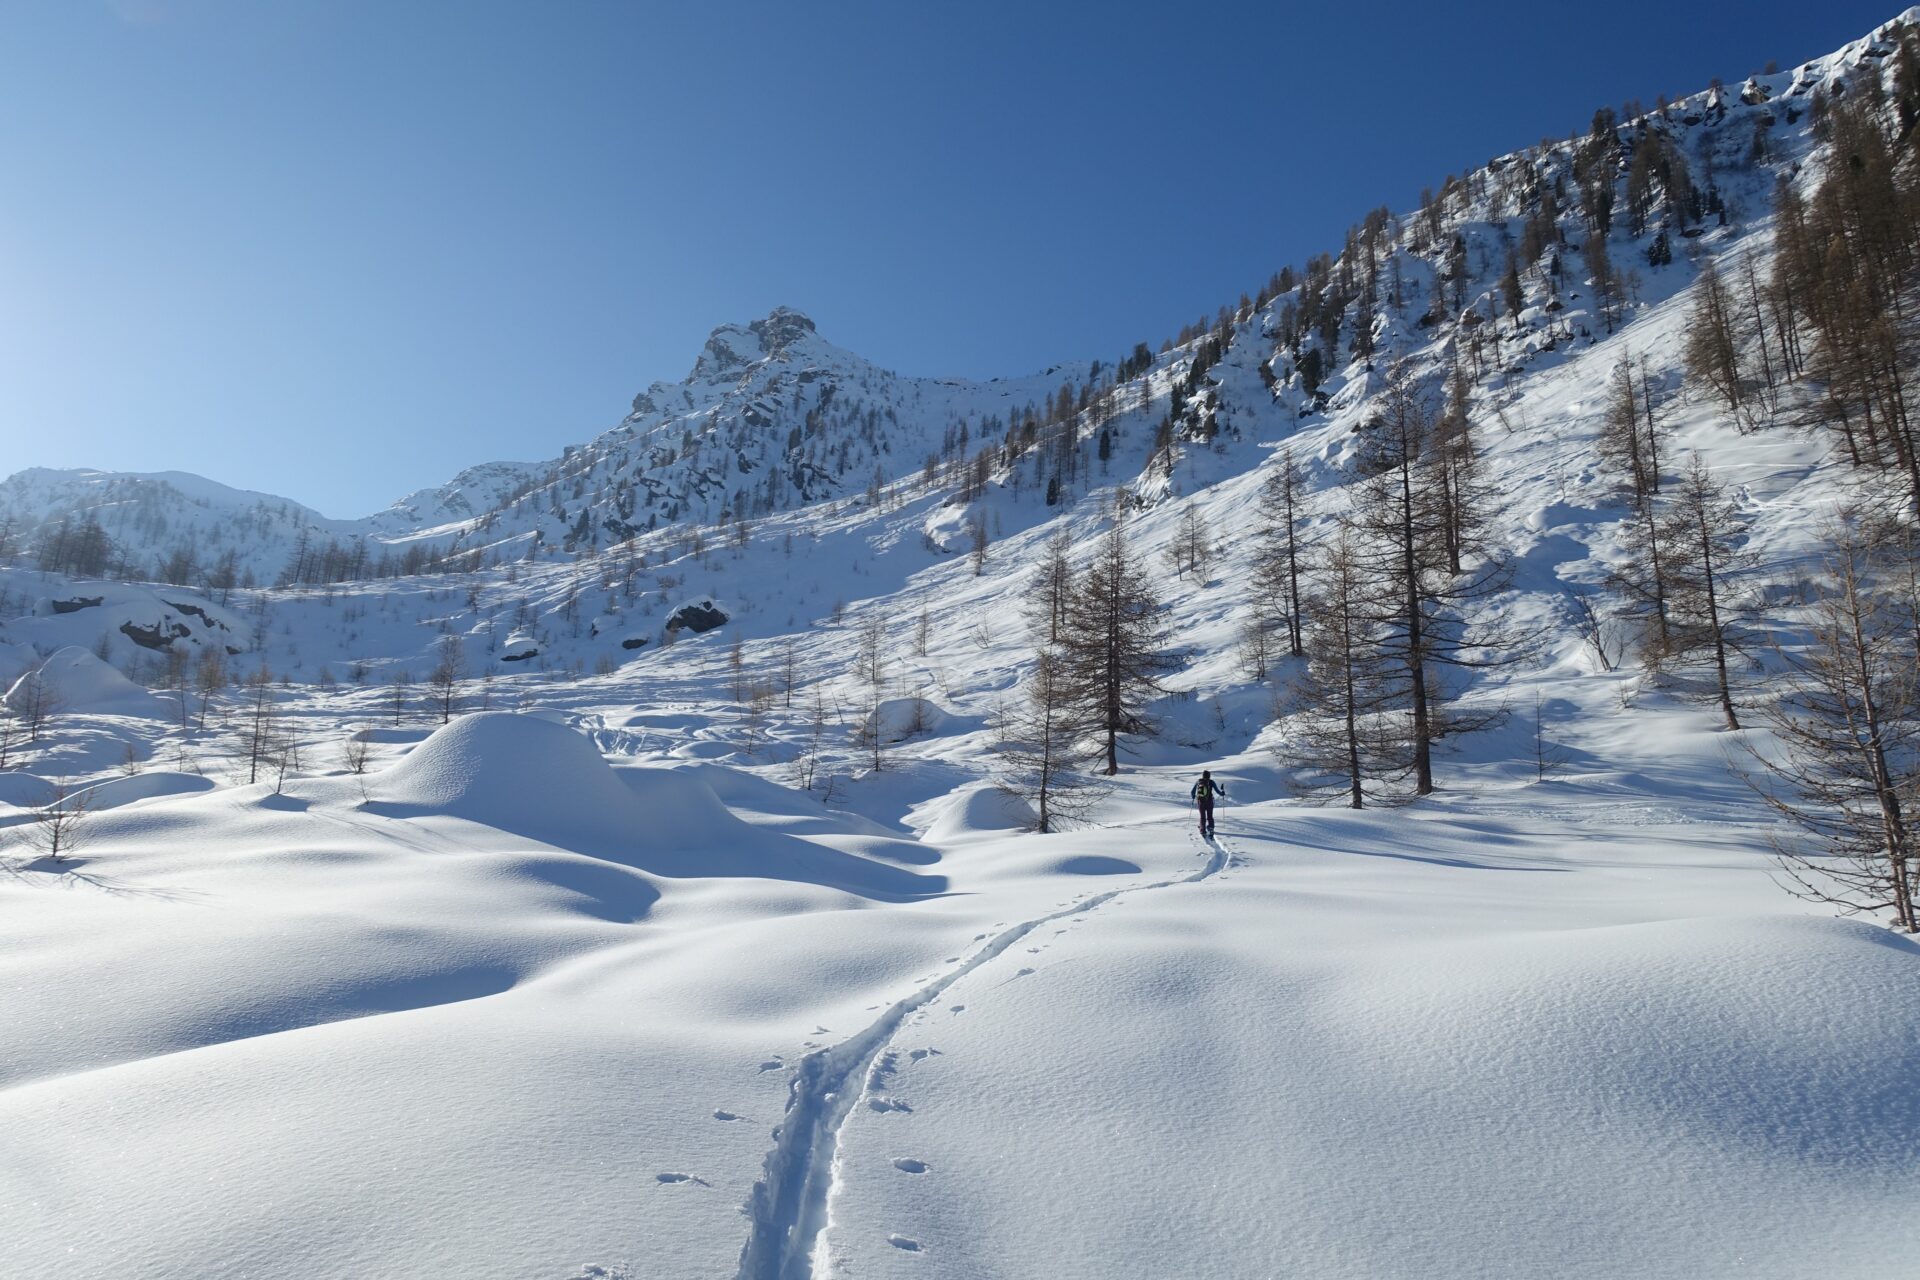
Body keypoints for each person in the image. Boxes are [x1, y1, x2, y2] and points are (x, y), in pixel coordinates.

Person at [1190, 769, 1226, 838]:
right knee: (1210, 816)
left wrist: (1193, 796)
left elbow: (1192, 792)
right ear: (1209, 776)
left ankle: (1202, 830)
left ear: (1202, 775)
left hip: (1201, 802)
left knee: (1202, 817)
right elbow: (1218, 791)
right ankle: (1211, 828)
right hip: (1209, 801)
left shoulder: (1198, 781)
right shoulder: (1211, 782)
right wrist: (1222, 793)